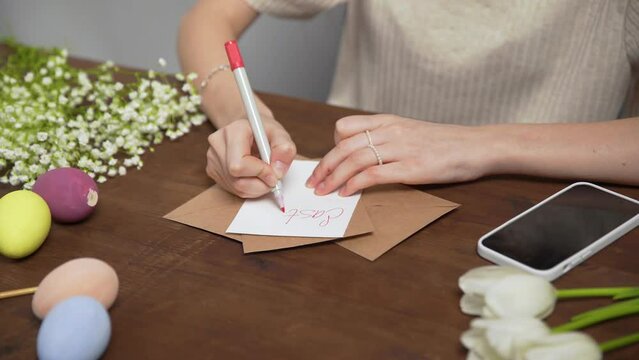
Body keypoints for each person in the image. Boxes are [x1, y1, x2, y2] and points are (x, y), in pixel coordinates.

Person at [178, 0, 639, 199]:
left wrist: (478, 145)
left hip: (538, 206)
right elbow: (209, 17)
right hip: (352, 185)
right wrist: (240, 115)